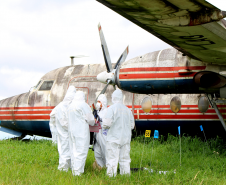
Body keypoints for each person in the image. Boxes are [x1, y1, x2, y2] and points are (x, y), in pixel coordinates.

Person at [102, 89, 135, 177]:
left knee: (112, 158)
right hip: (125, 138)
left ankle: (111, 176)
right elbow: (132, 126)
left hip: (114, 138)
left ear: (114, 98)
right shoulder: (128, 110)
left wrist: (103, 124)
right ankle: (125, 176)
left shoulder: (112, 108)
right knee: (125, 158)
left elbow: (106, 123)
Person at [68, 91, 95, 176]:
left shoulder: (70, 106)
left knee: (73, 151)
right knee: (81, 151)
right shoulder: (83, 105)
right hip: (81, 132)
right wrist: (94, 121)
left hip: (71, 131)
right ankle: (78, 173)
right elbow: (91, 120)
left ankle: (74, 170)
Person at [55, 86, 76, 171]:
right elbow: (64, 123)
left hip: (69, 133)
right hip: (64, 133)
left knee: (71, 150)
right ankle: (63, 169)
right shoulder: (60, 107)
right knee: (64, 150)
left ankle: (70, 167)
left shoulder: (70, 106)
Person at [93, 94, 108, 169]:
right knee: (97, 151)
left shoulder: (107, 112)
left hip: (104, 134)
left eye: (99, 101)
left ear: (103, 102)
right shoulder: (97, 112)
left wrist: (99, 119)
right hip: (97, 135)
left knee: (105, 151)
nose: (98, 103)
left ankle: (108, 166)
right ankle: (101, 166)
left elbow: (106, 123)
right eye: (97, 101)